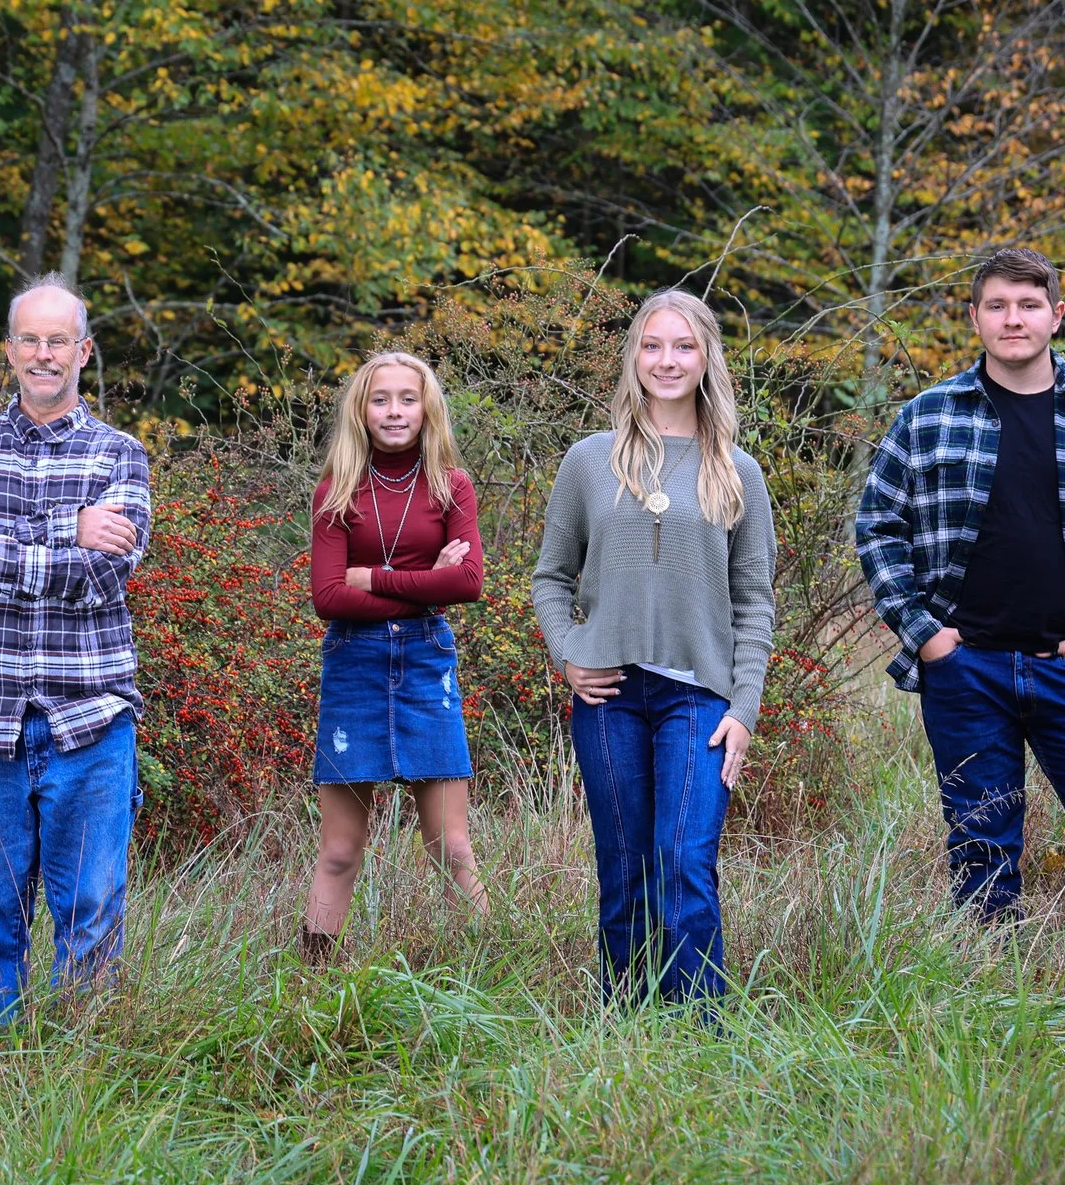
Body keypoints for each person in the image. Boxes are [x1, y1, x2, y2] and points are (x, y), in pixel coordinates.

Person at [855, 247, 1065, 953]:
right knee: (981, 848)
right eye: (997, 305)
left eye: (1029, 304)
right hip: (965, 671)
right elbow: (877, 527)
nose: (1013, 318)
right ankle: (990, 995)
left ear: (1056, 315)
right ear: (976, 317)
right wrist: (927, 636)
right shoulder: (927, 417)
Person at [532, 289, 777, 1005]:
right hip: (607, 695)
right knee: (625, 864)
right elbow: (551, 576)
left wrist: (746, 708)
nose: (666, 360)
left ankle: (699, 1031)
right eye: (652, 345)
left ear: (707, 359)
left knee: (685, 860)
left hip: (699, 698)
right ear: (633, 356)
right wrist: (568, 653)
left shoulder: (738, 470)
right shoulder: (589, 461)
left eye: (683, 346)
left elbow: (755, 601)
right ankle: (627, 1021)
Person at [0, 276, 152, 1023]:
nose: (44, 353)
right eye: (31, 339)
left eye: (59, 340)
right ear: (9, 350)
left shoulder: (122, 455)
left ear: (84, 351)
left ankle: (87, 1074)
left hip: (90, 716)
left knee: (91, 917)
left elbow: (105, 574)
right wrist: (68, 530)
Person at [300, 350, 490, 963]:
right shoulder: (336, 489)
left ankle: (500, 964)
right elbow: (328, 598)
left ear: (427, 406)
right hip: (353, 666)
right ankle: (312, 980)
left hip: (426, 666)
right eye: (381, 399)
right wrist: (421, 584)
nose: (395, 411)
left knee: (450, 847)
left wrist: (372, 580)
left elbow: (466, 585)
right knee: (339, 850)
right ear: (362, 410)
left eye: (407, 398)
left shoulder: (451, 485)